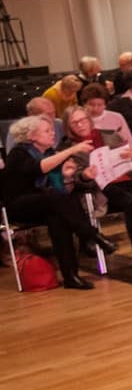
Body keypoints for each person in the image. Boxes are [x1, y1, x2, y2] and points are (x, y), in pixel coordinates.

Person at [4, 116, 120, 288]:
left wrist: (66, 176)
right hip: (18, 205)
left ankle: (70, 276)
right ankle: (93, 235)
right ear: (32, 135)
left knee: (58, 218)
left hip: (47, 203)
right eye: (47, 131)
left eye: (52, 130)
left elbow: (60, 189)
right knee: (55, 201)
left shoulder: (50, 153)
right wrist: (70, 151)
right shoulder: (18, 153)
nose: (53, 134)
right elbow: (38, 168)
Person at [60, 106, 132, 273]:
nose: (80, 125)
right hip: (104, 187)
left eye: (83, 120)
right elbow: (74, 178)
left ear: (89, 119)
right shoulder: (67, 148)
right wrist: (85, 176)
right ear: (68, 126)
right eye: (75, 123)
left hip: (129, 177)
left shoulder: (108, 134)